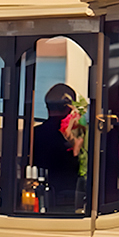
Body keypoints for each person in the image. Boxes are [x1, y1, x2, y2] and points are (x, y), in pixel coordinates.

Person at [31, 82, 83, 213]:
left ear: (47, 107)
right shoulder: (79, 137)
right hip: (73, 198)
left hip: (39, 196)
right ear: (70, 109)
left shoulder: (33, 134)